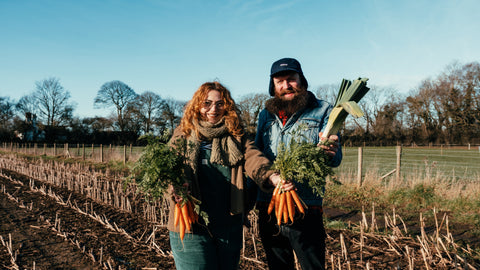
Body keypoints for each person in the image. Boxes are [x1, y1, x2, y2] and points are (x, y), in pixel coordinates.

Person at [167, 81, 285, 270]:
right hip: (190, 223)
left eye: (220, 104)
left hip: (228, 224)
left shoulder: (236, 136)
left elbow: (254, 158)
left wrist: (272, 177)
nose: (213, 109)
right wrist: (176, 185)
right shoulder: (183, 135)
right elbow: (169, 169)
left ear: (227, 107)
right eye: (207, 103)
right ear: (197, 105)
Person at [254, 58, 343, 270]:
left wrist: (330, 151)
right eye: (280, 82)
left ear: (301, 80)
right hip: (269, 207)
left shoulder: (323, 110)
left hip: (306, 207)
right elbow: (256, 156)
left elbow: (335, 158)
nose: (286, 86)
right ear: (273, 87)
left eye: (291, 79)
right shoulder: (265, 115)